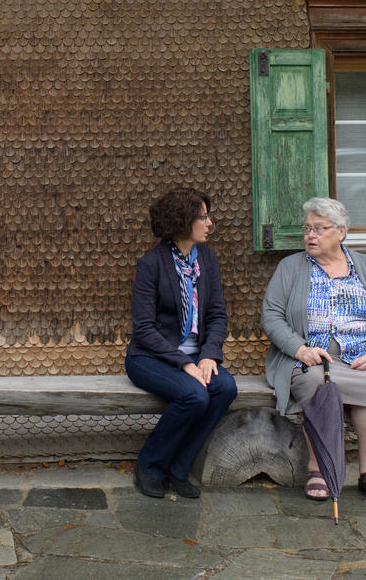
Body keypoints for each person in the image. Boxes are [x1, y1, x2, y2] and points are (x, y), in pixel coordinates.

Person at [261, 197, 366, 502]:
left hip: (358, 359)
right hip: (311, 360)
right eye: (307, 229)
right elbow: (271, 316)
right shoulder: (291, 267)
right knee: (315, 383)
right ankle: (318, 468)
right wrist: (299, 349)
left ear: (340, 232)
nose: (310, 235)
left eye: (319, 229)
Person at [125, 187, 238, 498]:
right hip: (150, 358)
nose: (210, 222)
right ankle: (149, 465)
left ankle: (179, 467)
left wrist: (209, 356)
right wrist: (185, 362)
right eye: (203, 217)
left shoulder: (208, 259)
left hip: (197, 357)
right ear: (182, 221)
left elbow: (217, 315)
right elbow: (144, 328)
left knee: (225, 388)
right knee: (195, 397)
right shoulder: (152, 264)